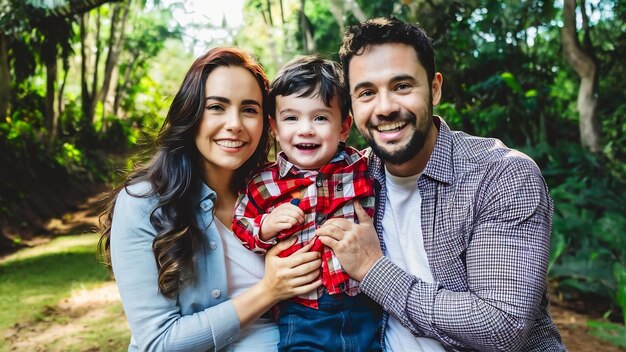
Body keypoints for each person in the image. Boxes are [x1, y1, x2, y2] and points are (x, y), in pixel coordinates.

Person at [316, 17, 566, 351]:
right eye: (366, 93)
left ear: (434, 88)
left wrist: (372, 269)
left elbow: (501, 327)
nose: (385, 107)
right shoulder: (350, 178)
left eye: (402, 86)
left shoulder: (501, 176)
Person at [98, 47, 323, 352]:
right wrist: (269, 291)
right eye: (217, 106)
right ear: (191, 112)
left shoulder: (274, 192)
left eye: (249, 109)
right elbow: (159, 342)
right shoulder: (143, 205)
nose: (235, 124)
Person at [233, 55, 382, 351]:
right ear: (274, 127)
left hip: (363, 302)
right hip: (302, 309)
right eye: (291, 118)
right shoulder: (265, 182)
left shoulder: (360, 165)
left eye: (320, 117)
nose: (305, 129)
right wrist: (265, 227)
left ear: (343, 127)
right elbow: (242, 222)